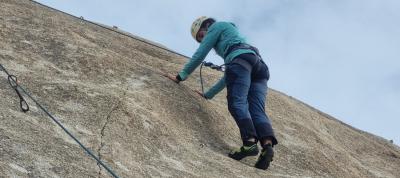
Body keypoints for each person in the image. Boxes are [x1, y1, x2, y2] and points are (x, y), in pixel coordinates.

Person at [167, 16, 278, 170]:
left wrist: (180, 76)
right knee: (256, 109)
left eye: (200, 35)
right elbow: (230, 75)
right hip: (259, 67)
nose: (203, 39)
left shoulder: (216, 27)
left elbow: (200, 54)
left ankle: (250, 143)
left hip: (241, 61)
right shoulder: (232, 35)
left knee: (236, 102)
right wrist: (208, 94)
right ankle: (267, 146)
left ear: (205, 26)